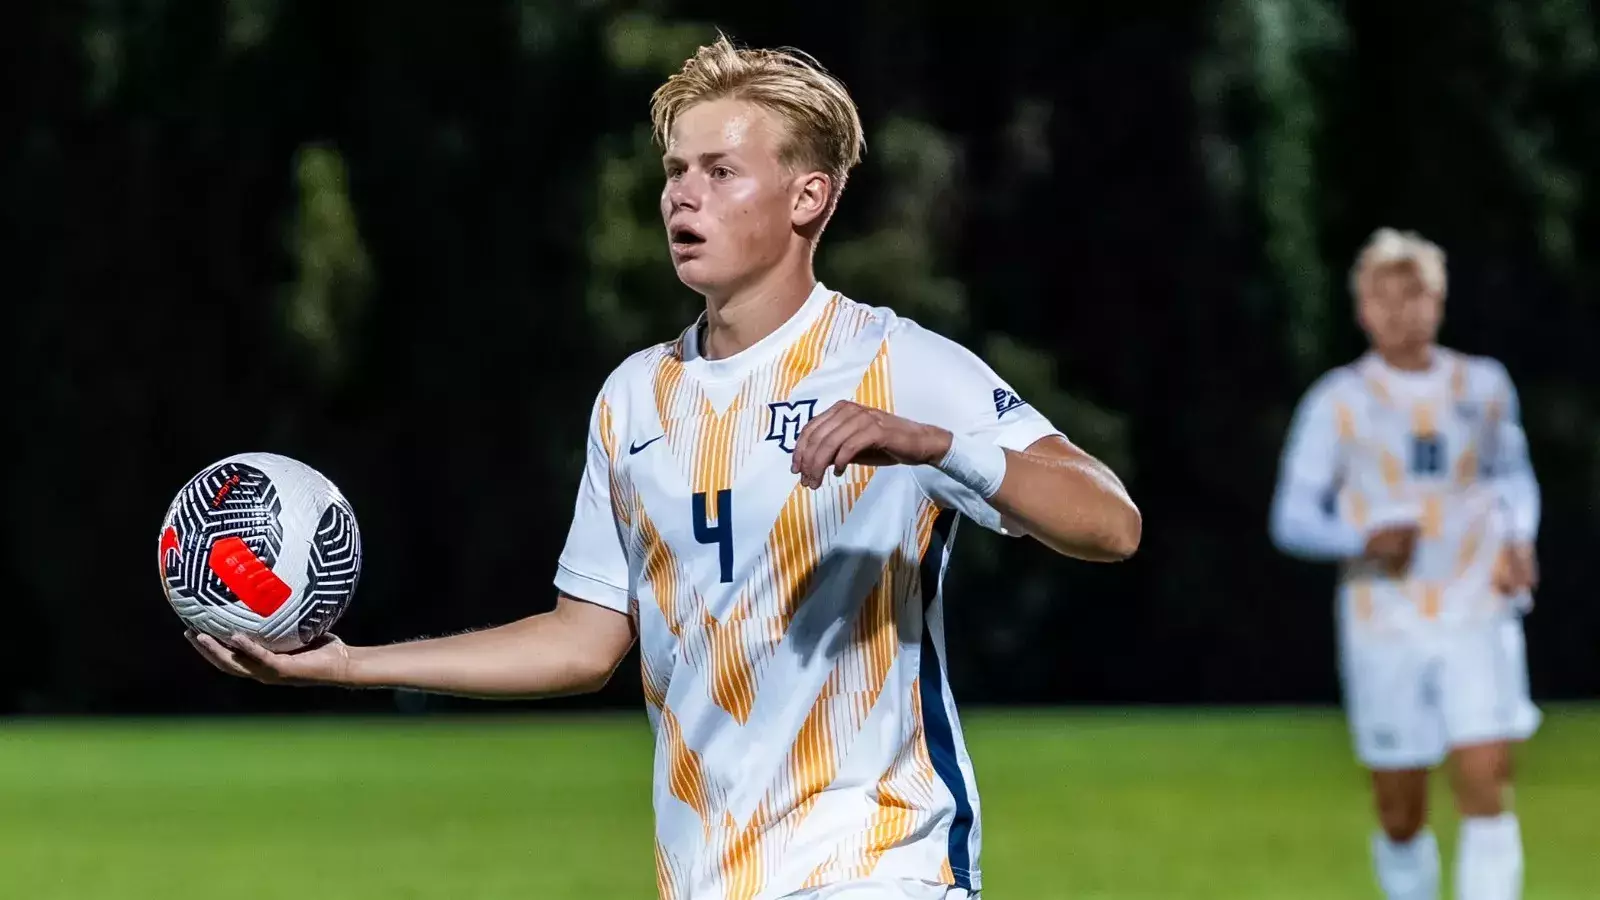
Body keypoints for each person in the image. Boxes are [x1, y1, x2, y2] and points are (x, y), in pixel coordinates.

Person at [187, 34, 1141, 900]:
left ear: (810, 197)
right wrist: (349, 666)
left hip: (883, 865)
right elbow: (583, 642)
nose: (683, 195)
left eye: (722, 172)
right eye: (676, 170)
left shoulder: (899, 364)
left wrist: (939, 447)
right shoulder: (636, 398)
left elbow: (1110, 523)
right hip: (707, 878)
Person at [1269, 228, 1541, 900]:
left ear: (1438, 301)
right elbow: (1292, 519)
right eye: (1381, 297)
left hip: (1477, 608)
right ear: (1361, 309)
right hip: (1384, 619)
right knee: (1400, 807)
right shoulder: (1338, 401)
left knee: (1485, 779)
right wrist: (1360, 537)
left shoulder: (1483, 385)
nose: (1398, 310)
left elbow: (1513, 477)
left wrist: (1519, 538)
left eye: (1412, 294)